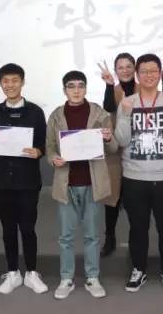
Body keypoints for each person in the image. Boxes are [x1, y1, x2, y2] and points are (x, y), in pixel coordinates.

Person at [0, 63, 49, 295]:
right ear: (0, 84)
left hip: (28, 180)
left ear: (22, 82)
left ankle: (32, 273)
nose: (10, 85)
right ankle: (13, 272)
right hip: (2, 181)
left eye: (15, 80)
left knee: (28, 228)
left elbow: (44, 143)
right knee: (7, 228)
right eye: (5, 81)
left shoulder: (35, 112)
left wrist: (39, 151)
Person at [115, 53, 163, 293]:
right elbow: (121, 140)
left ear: (159, 73)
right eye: (144, 71)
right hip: (134, 177)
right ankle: (139, 269)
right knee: (137, 228)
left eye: (154, 71)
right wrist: (125, 114)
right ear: (137, 74)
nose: (149, 75)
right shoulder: (127, 102)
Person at [46, 71, 119, 299]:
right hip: (66, 183)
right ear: (64, 90)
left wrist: (108, 138)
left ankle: (92, 277)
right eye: (71, 86)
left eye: (80, 85)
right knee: (66, 237)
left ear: (86, 88)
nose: (76, 90)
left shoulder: (100, 113)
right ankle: (66, 278)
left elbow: (113, 148)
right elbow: (49, 147)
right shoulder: (56, 116)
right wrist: (53, 158)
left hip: (93, 183)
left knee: (92, 235)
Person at [98, 52, 163, 257]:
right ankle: (110, 236)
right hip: (117, 147)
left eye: (128, 66)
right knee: (113, 197)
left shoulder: (145, 88)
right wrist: (108, 85)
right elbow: (109, 109)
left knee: (137, 201)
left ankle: (138, 239)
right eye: (120, 67)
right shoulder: (114, 90)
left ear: (135, 69)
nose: (125, 70)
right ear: (116, 71)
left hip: (142, 147)